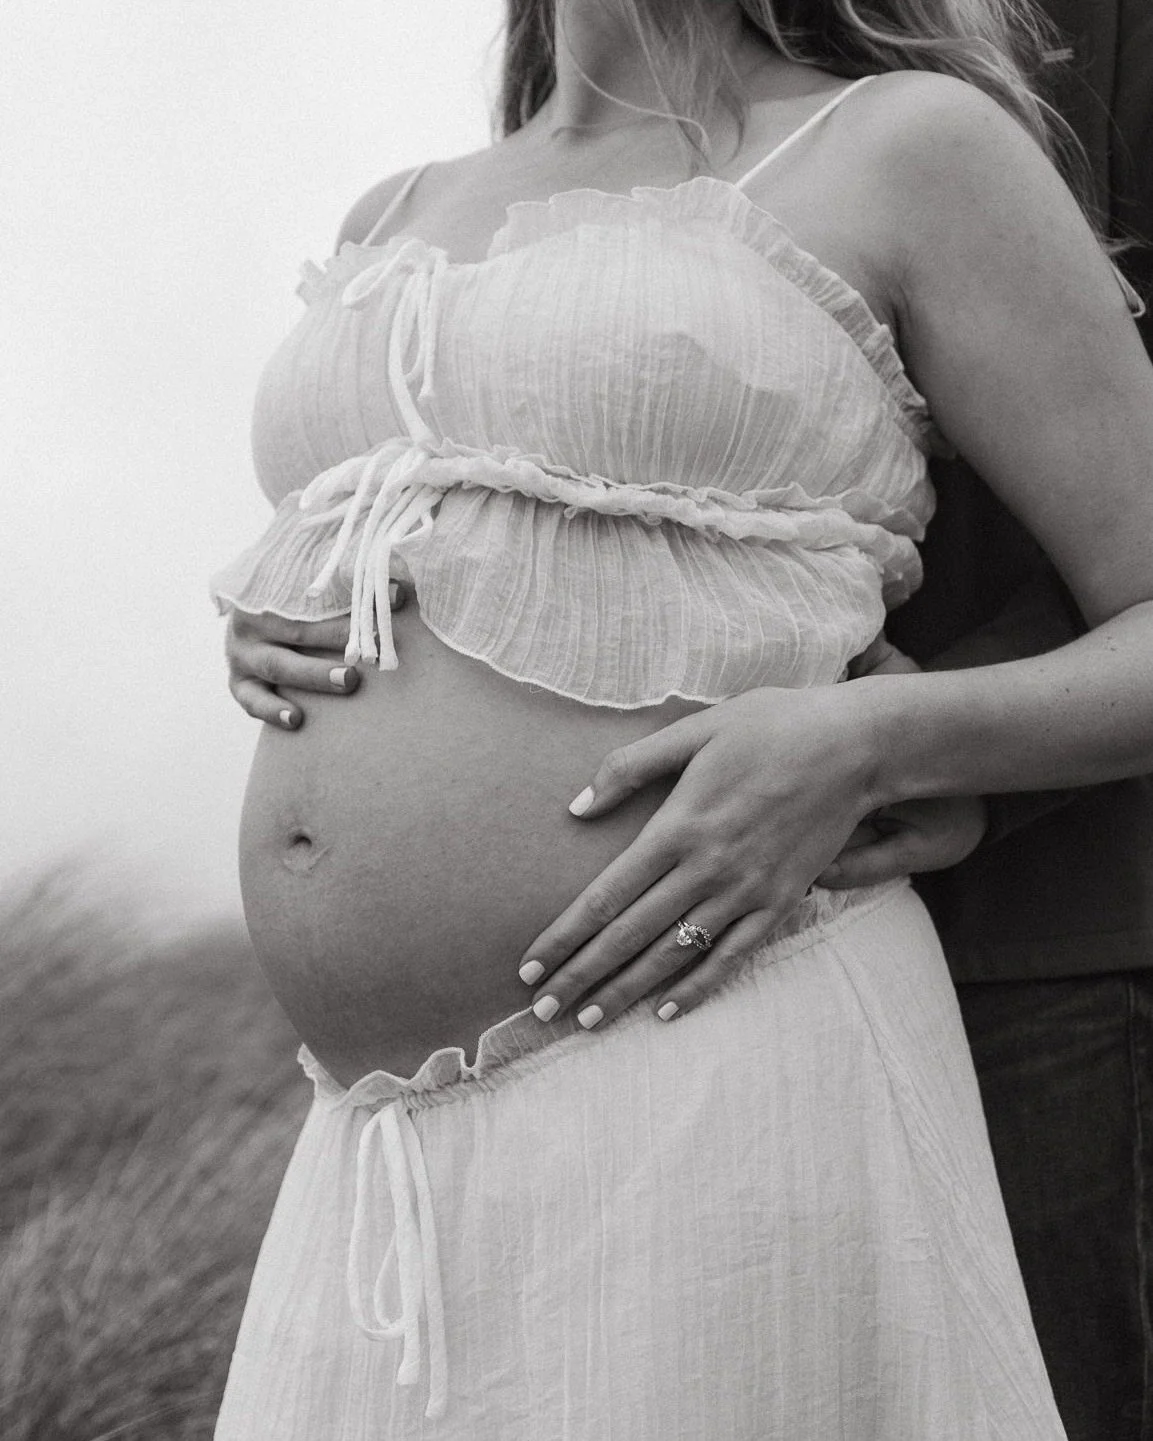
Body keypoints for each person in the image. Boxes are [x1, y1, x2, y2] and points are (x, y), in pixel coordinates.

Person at [210, 1, 1153, 1436]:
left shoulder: (907, 147)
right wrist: (282, 597)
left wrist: (873, 744)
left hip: (726, 1041)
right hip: (376, 1151)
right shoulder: (394, 211)